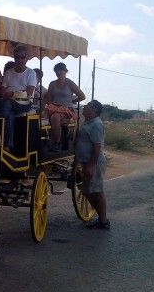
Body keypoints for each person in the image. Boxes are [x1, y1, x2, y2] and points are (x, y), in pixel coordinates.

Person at [75, 100, 110, 230]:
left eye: (88, 105)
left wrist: (91, 166)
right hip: (86, 162)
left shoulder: (96, 124)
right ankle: (101, 218)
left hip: (93, 163)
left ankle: (103, 221)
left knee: (97, 191)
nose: (85, 106)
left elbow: (97, 147)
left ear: (94, 110)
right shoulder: (88, 123)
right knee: (87, 191)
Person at [0, 45, 37, 149]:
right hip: (8, 101)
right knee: (5, 109)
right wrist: (6, 95)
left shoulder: (31, 73)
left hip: (24, 102)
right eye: (16, 57)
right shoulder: (8, 73)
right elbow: (2, 91)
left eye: (22, 57)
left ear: (27, 58)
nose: (19, 59)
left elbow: (28, 94)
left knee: (6, 105)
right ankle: (6, 144)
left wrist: (11, 94)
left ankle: (3, 143)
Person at [44, 62, 86, 152]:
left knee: (55, 117)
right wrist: (53, 106)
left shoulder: (70, 83)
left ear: (65, 71)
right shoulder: (52, 84)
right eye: (56, 71)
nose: (58, 73)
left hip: (67, 110)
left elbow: (82, 96)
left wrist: (72, 101)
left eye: (60, 70)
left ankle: (57, 143)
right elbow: (48, 99)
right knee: (43, 117)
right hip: (54, 108)